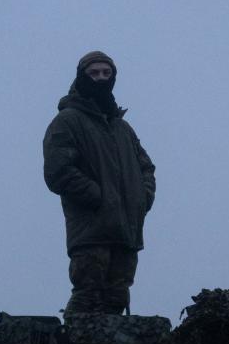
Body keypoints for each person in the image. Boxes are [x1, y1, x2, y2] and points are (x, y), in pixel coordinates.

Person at [42, 50, 155, 316]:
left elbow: (146, 167)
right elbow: (58, 171)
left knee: (117, 299)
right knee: (87, 298)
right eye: (94, 73)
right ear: (82, 77)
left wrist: (141, 198)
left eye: (107, 73)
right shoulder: (67, 121)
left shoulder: (123, 129)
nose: (101, 78)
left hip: (126, 231)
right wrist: (98, 197)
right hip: (91, 231)